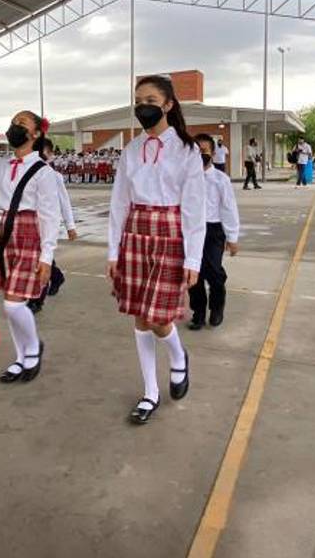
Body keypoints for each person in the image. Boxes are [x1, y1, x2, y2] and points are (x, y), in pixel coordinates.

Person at [109, 75, 205, 425]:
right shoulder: (131, 150)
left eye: (150, 99)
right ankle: (150, 392)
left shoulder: (187, 150)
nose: (142, 106)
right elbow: (119, 202)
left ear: (168, 105)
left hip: (170, 234)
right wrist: (112, 251)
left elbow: (195, 208)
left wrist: (193, 257)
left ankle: (178, 357)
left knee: (159, 318)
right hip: (135, 233)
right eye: (138, 99)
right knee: (139, 316)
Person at [0, 109, 62, 385]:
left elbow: (50, 216)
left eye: (22, 123)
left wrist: (47, 256)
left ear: (36, 133)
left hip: (30, 233)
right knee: (11, 302)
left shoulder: (44, 172)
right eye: (13, 122)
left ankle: (34, 348)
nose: (15, 127)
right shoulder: (2, 164)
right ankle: (21, 357)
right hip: (6, 233)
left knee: (12, 304)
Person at [188, 134, 240, 330]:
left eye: (204, 151)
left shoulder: (220, 179)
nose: (200, 155)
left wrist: (232, 237)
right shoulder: (185, 178)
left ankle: (217, 308)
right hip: (191, 230)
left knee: (214, 272)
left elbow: (228, 208)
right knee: (193, 274)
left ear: (212, 153)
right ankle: (198, 312)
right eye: (196, 151)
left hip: (213, 230)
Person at [26, 120, 77, 313]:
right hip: (29, 224)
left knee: (42, 258)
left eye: (44, 152)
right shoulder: (26, 171)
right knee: (39, 258)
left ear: (49, 154)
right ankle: (56, 277)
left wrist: (70, 225)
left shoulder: (52, 175)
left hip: (46, 224)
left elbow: (64, 201)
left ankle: (37, 299)